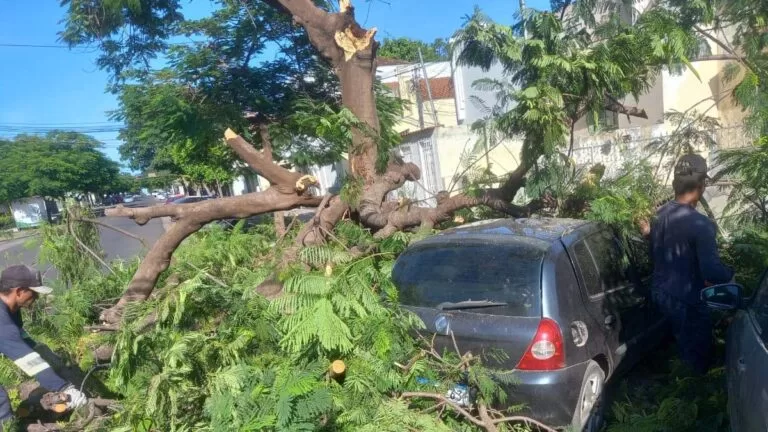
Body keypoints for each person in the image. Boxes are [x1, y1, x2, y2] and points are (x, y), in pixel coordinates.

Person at [649, 154, 734, 375]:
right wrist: (730, 275)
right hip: (686, 302)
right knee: (697, 358)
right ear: (701, 185)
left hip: (659, 293)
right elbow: (712, 272)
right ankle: (694, 389)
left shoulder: (658, 214)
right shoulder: (701, 224)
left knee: (674, 348)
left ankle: (674, 381)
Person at [0, 265, 87, 424]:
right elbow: (26, 359)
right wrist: (64, 389)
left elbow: (20, 336)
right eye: (34, 293)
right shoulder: (2, 321)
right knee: (1, 405)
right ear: (19, 291)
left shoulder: (12, 309)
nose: (37, 298)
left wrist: (42, 350)